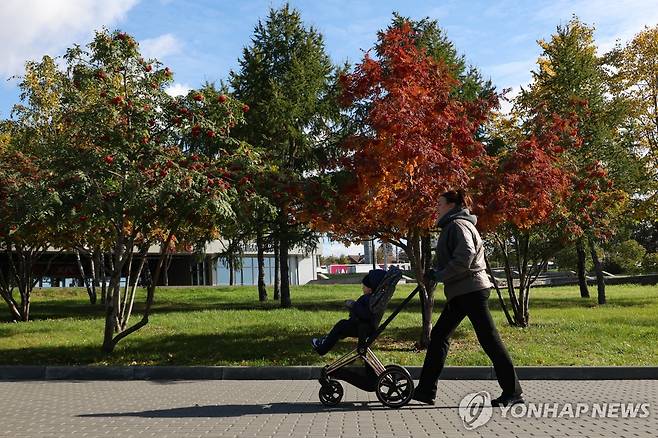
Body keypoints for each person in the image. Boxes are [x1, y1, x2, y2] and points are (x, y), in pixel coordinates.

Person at [413, 189, 524, 407]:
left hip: (470, 291)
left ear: (451, 205)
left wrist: (440, 275)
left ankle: (513, 392)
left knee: (489, 340)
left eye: (439, 203)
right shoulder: (453, 226)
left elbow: (465, 256)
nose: (436, 207)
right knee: (439, 336)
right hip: (462, 291)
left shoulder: (458, 225)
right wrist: (435, 271)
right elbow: (455, 258)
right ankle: (426, 391)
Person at [311, 269, 387, 356]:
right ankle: (326, 340)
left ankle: (322, 348)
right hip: (365, 326)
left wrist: (352, 305)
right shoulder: (374, 298)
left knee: (341, 326)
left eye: (364, 286)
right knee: (340, 330)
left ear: (370, 289)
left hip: (362, 327)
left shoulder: (368, 299)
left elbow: (365, 314)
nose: (362, 288)